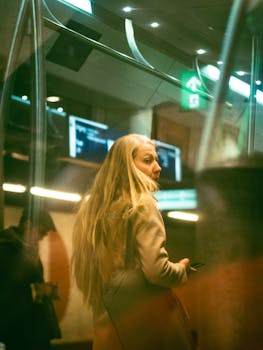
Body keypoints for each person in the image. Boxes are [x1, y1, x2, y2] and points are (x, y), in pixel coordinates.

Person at [72, 133, 196, 350]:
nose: (157, 168)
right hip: (140, 329)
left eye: (157, 160)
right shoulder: (142, 204)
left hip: (107, 330)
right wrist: (180, 271)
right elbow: (156, 271)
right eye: (148, 160)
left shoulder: (91, 212)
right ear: (126, 166)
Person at [0, 207, 61, 350]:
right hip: (19, 332)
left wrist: (42, 290)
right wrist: (35, 292)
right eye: (40, 232)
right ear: (27, 225)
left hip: (35, 329)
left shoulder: (28, 251)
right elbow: (6, 295)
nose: (41, 238)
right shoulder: (5, 251)